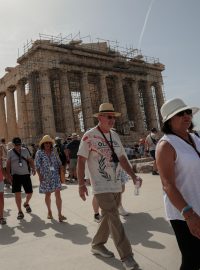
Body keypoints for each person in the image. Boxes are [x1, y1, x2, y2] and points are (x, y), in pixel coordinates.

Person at [77, 102, 142, 270]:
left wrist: (133, 175)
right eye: (109, 117)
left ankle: (97, 244)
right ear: (100, 118)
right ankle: (127, 256)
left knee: (107, 217)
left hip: (115, 183)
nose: (112, 120)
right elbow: (81, 159)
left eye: (113, 117)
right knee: (114, 217)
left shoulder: (115, 135)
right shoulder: (89, 136)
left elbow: (121, 158)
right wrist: (81, 184)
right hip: (100, 185)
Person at [156, 98, 200, 270]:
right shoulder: (166, 145)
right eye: (180, 114)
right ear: (169, 120)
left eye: (188, 112)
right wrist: (189, 215)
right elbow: (167, 184)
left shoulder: (195, 137)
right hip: (184, 212)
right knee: (192, 260)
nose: (186, 116)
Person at [35, 135, 66, 222]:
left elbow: (59, 162)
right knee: (48, 195)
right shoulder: (39, 153)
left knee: (58, 194)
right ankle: (49, 211)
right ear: (43, 144)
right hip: (45, 177)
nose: (48, 144)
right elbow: (37, 165)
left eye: (49, 143)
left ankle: (60, 214)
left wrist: (61, 172)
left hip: (55, 175)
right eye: (46, 143)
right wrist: (40, 176)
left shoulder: (54, 151)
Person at [6, 137, 36, 220]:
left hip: (26, 174)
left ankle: (26, 203)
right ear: (13, 144)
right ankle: (20, 211)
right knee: (17, 194)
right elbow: (8, 165)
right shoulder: (10, 152)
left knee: (30, 193)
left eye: (19, 144)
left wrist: (33, 168)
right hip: (15, 176)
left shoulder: (25, 150)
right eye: (16, 145)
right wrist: (8, 175)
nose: (18, 146)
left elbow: (30, 160)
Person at [0, 148, 6, 225]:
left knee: (1, 198)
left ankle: (1, 217)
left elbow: (2, 169)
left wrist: (8, 177)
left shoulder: (1, 160)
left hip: (0, 180)